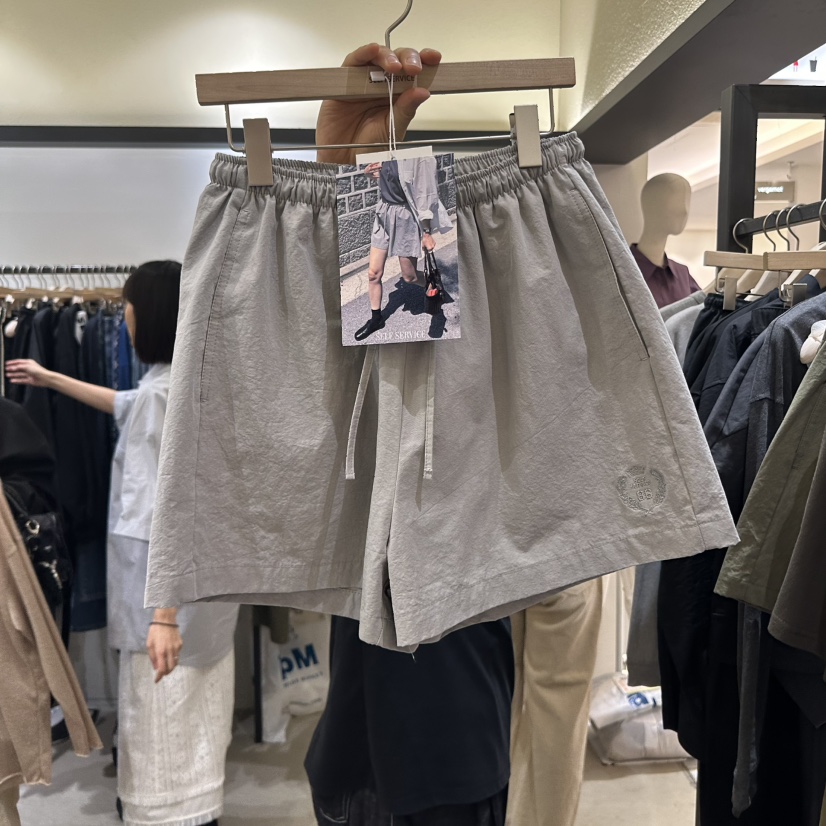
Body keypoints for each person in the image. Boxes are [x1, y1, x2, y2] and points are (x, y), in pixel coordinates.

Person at [303, 44, 513, 826]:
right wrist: (336, 179)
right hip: (390, 734)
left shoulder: (490, 313)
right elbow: (332, 376)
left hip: (445, 737)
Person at [6, 261, 239, 826]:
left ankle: (171, 815)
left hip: (162, 604)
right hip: (195, 600)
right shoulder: (184, 385)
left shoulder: (167, 398)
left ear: (149, 317)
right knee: (195, 712)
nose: (126, 321)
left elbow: (173, 510)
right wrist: (50, 377)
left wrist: (163, 616)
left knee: (163, 720)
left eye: (131, 310)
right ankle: (193, 808)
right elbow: (125, 403)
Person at [354, 156, 451, 341]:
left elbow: (426, 194)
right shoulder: (385, 150)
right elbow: (387, 178)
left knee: (410, 277)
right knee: (373, 274)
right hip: (384, 212)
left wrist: (426, 232)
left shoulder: (419, 156)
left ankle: (434, 284)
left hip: (406, 216)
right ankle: (376, 319)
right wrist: (369, 173)